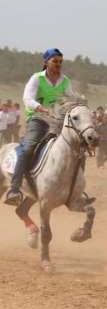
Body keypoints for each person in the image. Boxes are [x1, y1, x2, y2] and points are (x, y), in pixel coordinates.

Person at [5, 48, 80, 205]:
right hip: (38, 119)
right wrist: (42, 108)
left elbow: (71, 98)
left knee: (78, 149)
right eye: (55, 61)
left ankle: (76, 191)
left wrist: (75, 103)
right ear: (46, 62)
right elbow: (27, 99)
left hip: (58, 122)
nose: (58, 64)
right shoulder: (36, 78)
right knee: (27, 148)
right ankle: (14, 189)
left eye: (60, 61)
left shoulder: (65, 81)